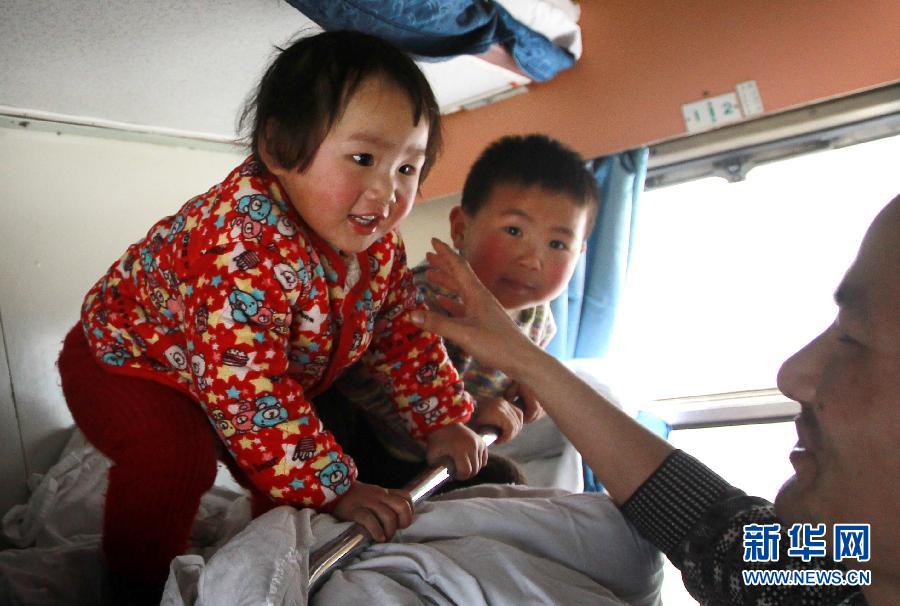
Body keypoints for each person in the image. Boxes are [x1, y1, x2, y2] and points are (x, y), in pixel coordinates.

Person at [56, 30, 487, 602]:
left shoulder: (377, 246)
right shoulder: (243, 241)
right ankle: (134, 588)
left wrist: (442, 418)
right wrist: (337, 487)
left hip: (222, 374)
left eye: (409, 168)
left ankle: (280, 571)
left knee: (292, 470)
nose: (387, 192)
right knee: (177, 459)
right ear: (282, 148)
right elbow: (249, 389)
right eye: (363, 159)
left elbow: (400, 334)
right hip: (123, 360)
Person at [410, 193, 900, 605]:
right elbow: (706, 521)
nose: (793, 375)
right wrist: (525, 360)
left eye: (854, 337)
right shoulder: (821, 578)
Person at [330, 134, 598, 488]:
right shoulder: (428, 301)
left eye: (557, 244)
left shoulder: (539, 320)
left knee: (510, 483)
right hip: (367, 441)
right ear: (460, 228)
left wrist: (531, 385)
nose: (532, 260)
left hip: (433, 453)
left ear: (579, 254)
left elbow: (515, 382)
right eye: (514, 230)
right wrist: (464, 414)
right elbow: (365, 381)